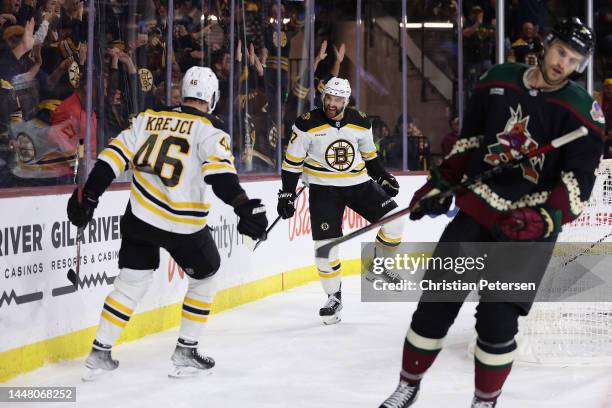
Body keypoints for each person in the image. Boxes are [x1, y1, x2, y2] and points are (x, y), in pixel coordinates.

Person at [379, 18, 604, 408]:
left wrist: (546, 219)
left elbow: (578, 182)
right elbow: (469, 142)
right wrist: (438, 186)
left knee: (498, 320)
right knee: (436, 304)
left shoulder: (583, 114)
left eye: (573, 59)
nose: (562, 63)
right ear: (546, 45)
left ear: (579, 66)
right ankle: (408, 384)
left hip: (528, 227)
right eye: (560, 51)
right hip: (480, 207)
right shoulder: (497, 80)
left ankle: (485, 401)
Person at [66, 66, 269, 380]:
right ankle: (186, 349)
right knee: (206, 275)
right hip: (182, 225)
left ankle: (99, 352)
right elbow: (220, 177)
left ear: (184, 92)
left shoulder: (147, 118)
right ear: (212, 98)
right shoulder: (210, 130)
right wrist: (242, 205)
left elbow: (111, 157)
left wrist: (89, 196)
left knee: (130, 283)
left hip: (140, 217)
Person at [277, 77, 403, 325]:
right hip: (324, 191)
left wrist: (383, 176)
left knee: (395, 222)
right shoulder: (306, 124)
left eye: (337, 99)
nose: (332, 104)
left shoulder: (360, 121)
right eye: (329, 98)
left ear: (346, 100)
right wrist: (286, 193)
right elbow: (291, 164)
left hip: (359, 185)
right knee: (324, 249)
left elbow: (370, 157)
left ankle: (376, 266)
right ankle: (334, 297)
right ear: (323, 97)